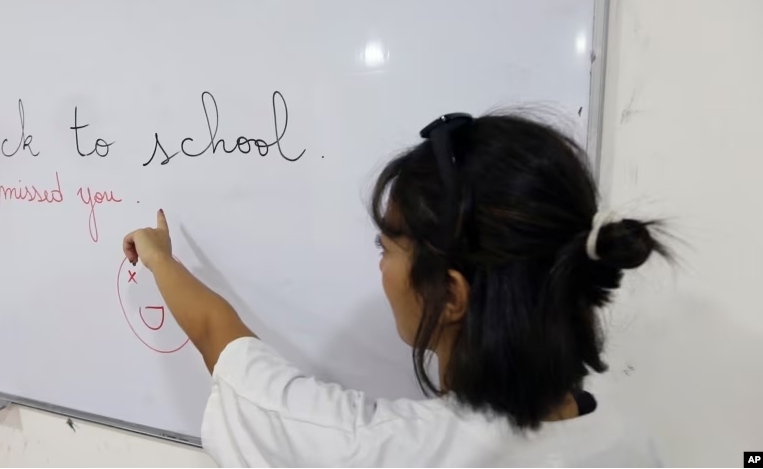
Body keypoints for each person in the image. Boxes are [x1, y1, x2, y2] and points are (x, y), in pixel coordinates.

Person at [122, 112, 668, 467]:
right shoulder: (632, 445)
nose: (379, 266)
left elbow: (222, 341)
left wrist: (158, 258)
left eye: (387, 248)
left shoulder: (379, 451)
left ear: (450, 296)